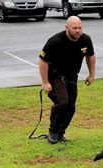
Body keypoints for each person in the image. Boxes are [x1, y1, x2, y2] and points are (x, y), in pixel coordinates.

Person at [39, 16, 96, 144]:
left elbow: (90, 56)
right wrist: (45, 82)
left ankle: (60, 132)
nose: (78, 31)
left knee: (71, 106)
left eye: (80, 28)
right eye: (74, 28)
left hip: (72, 77)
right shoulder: (55, 41)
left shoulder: (85, 40)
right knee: (62, 102)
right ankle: (53, 132)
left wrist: (91, 75)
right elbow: (43, 61)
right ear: (66, 28)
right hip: (55, 76)